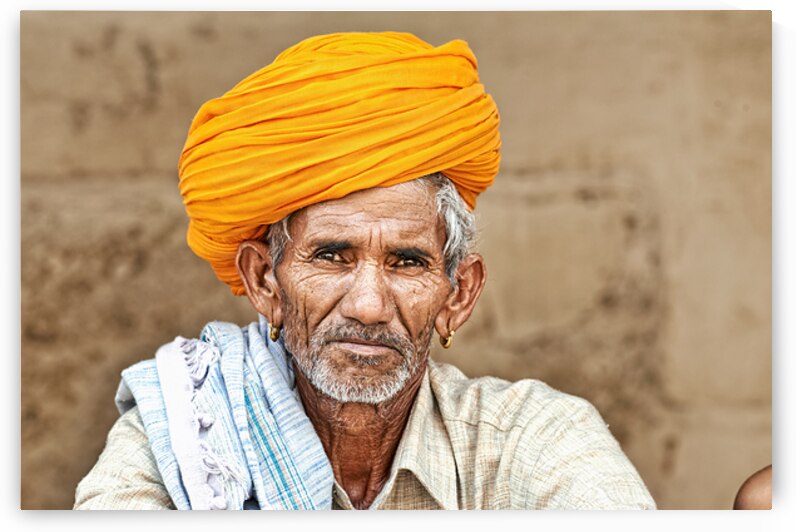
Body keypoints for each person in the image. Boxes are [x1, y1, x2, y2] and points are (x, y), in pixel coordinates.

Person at [73, 31, 655, 510]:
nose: (369, 305)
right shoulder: (185, 439)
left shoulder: (534, 440)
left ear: (459, 294)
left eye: (407, 262)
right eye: (331, 256)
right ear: (263, 282)